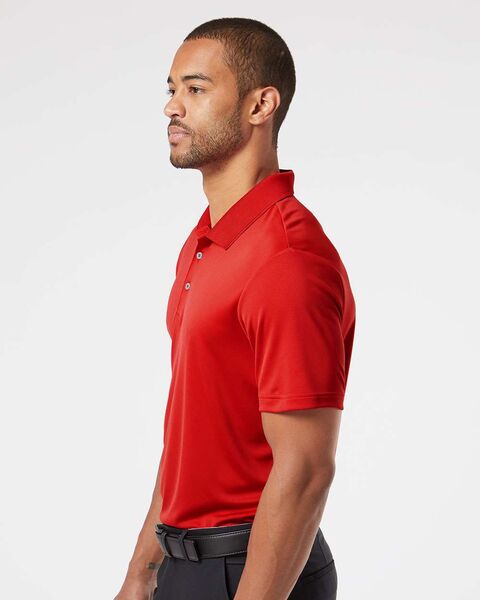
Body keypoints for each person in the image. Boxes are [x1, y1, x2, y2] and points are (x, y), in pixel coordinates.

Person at [114, 16, 356, 600]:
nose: (172, 107)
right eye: (172, 88)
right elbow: (193, 432)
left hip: (254, 571)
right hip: (184, 564)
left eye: (196, 89)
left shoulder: (287, 259)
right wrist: (142, 571)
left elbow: (306, 470)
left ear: (260, 105)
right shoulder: (206, 242)